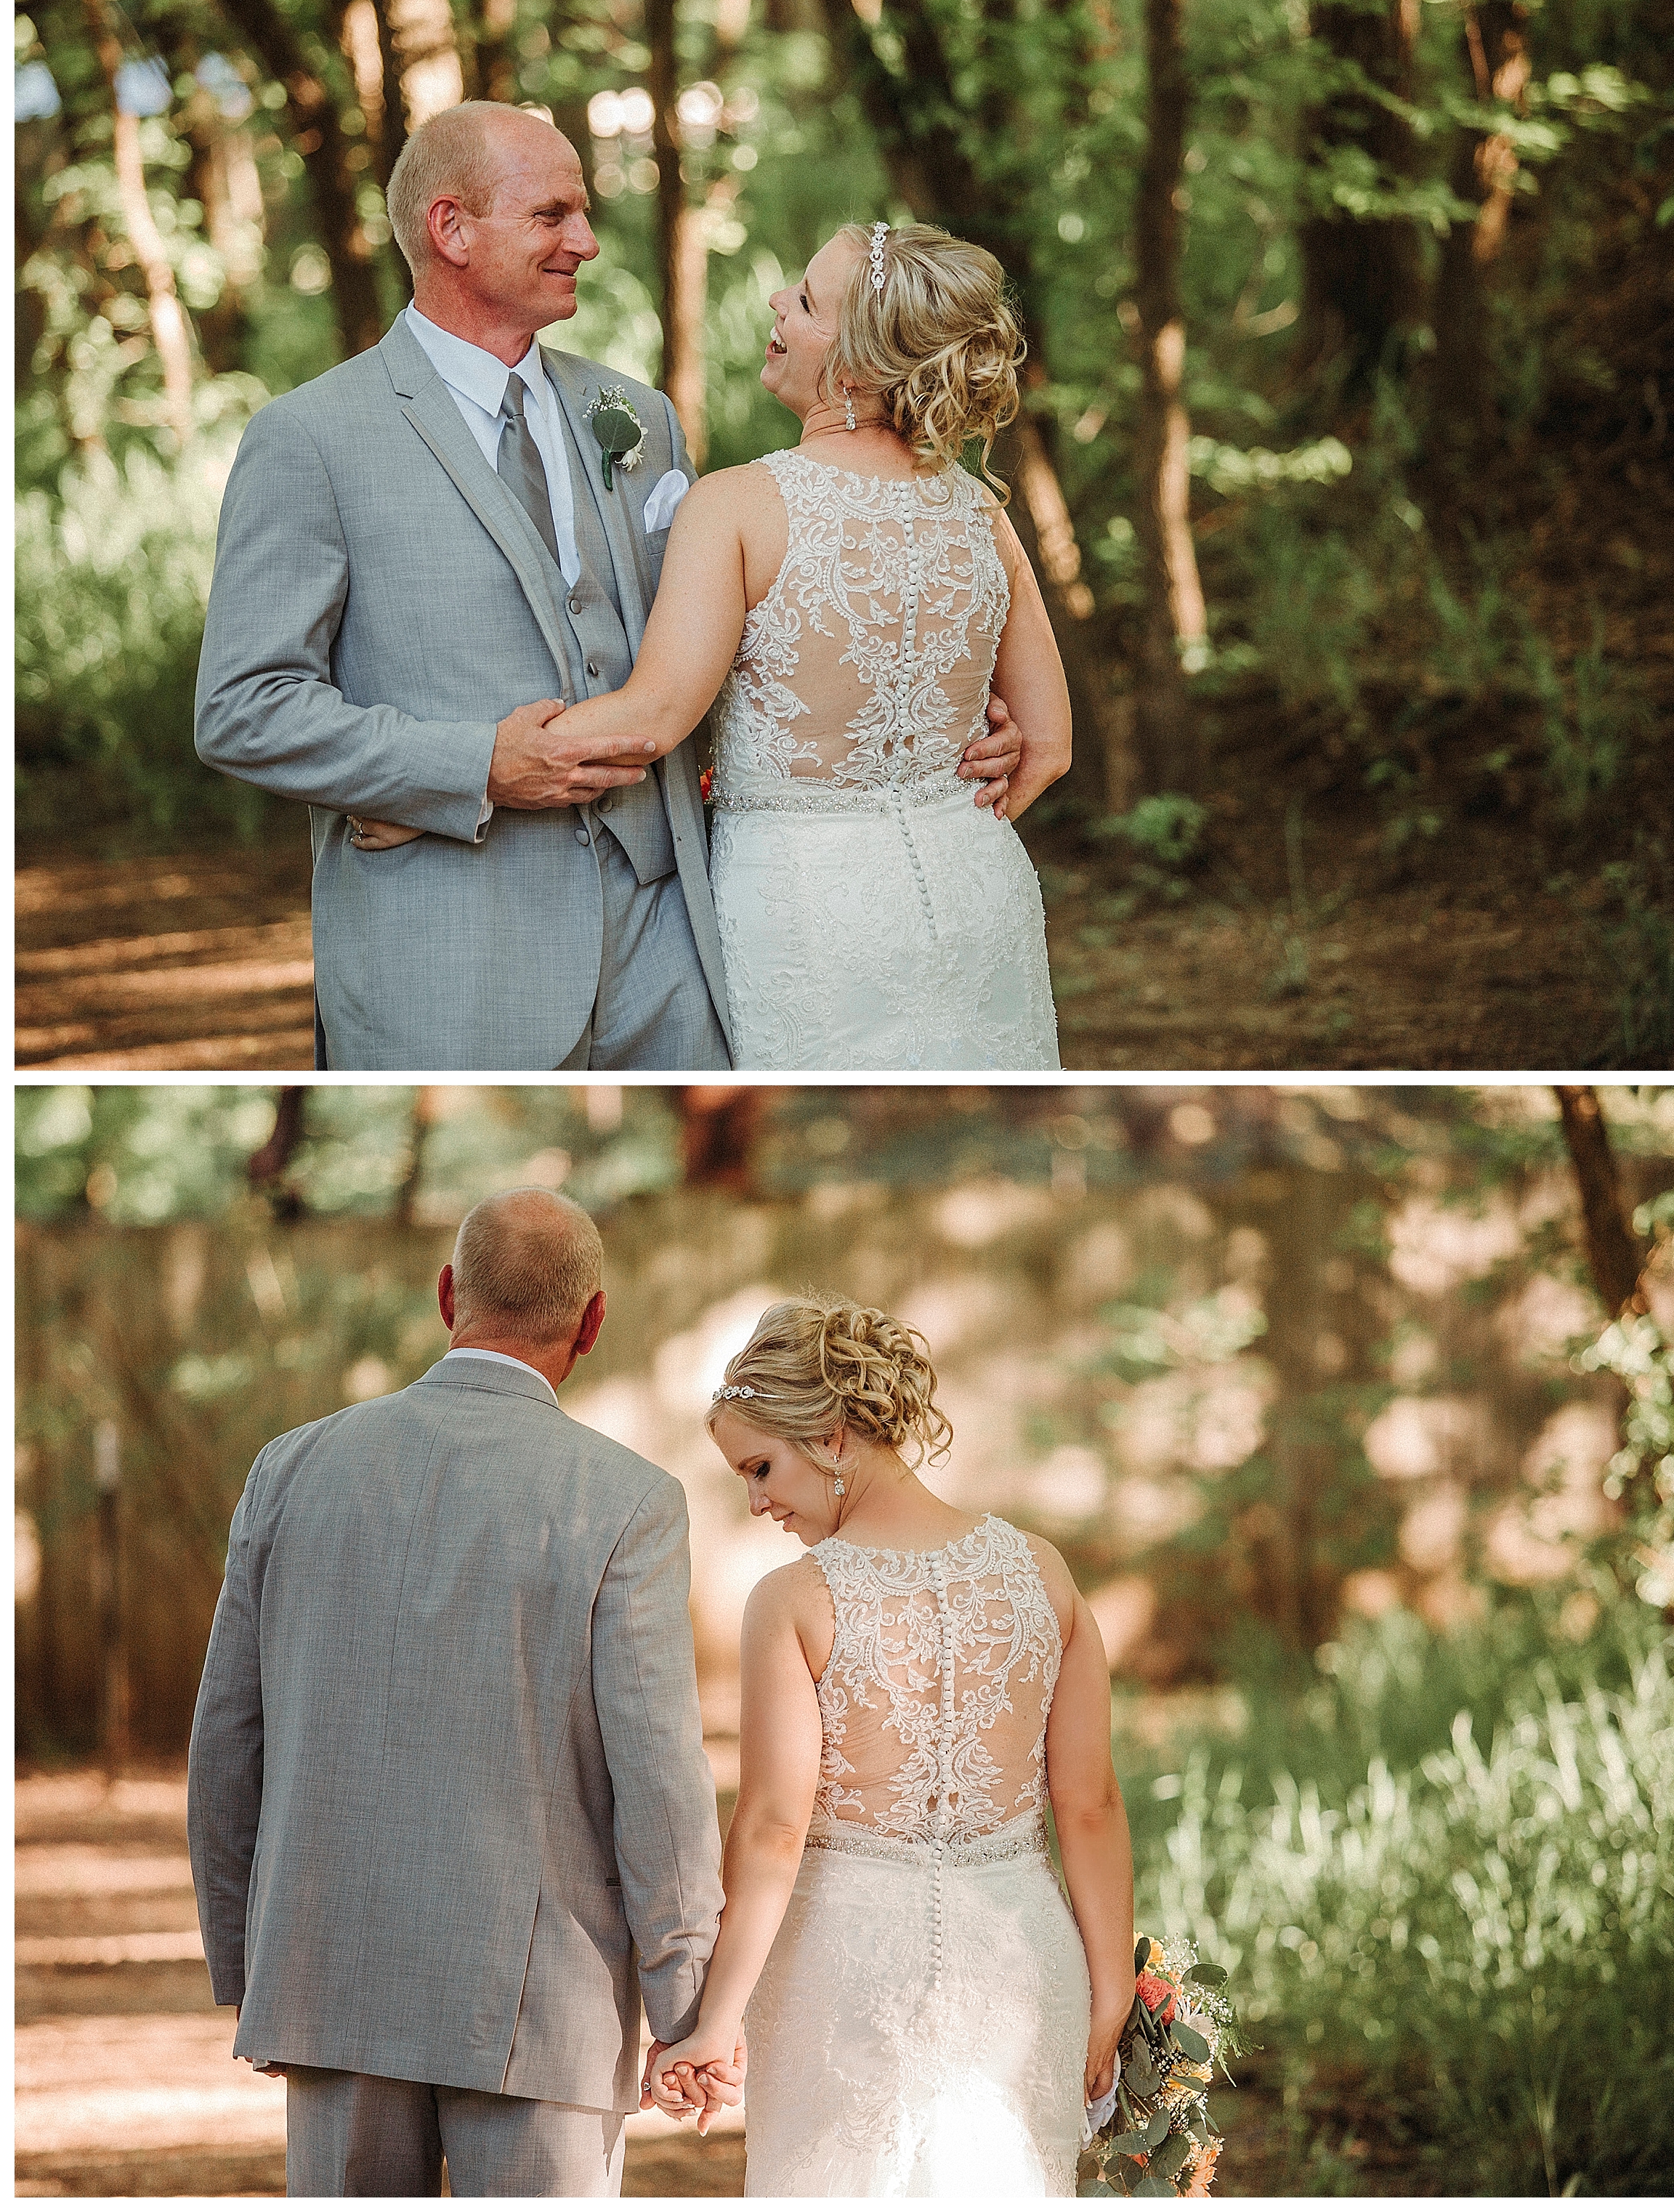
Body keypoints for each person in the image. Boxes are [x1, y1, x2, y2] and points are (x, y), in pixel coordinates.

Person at [193, 103, 1020, 1069]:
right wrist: (464, 766)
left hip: (675, 950)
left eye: (582, 214)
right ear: (450, 228)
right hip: (456, 953)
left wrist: (917, 714)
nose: (584, 242)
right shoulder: (313, 438)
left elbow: (738, 638)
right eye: (552, 215)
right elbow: (243, 709)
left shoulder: (637, 416)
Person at [352, 215, 1070, 1070]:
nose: (776, 299)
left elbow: (651, 716)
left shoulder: (738, 505)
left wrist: (447, 777)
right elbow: (1050, 746)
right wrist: (931, 812)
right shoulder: (981, 515)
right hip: (977, 886)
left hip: (807, 909)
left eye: (804, 300)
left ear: (858, 363)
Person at [185, 1188, 737, 2196]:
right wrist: (688, 2004)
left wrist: (252, 1965)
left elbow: (228, 1738)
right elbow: (658, 1776)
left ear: (448, 1294)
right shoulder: (627, 1502)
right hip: (542, 2007)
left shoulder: (291, 1468)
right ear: (595, 1319)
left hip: (327, 1974)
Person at [644, 1297, 1136, 2195]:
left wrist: (715, 2021)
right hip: (1024, 1957)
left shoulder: (794, 1600)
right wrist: (1111, 1990)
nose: (756, 1502)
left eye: (761, 1467)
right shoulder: (1043, 1572)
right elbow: (1092, 1803)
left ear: (832, 1436)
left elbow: (772, 1828)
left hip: (846, 1966)